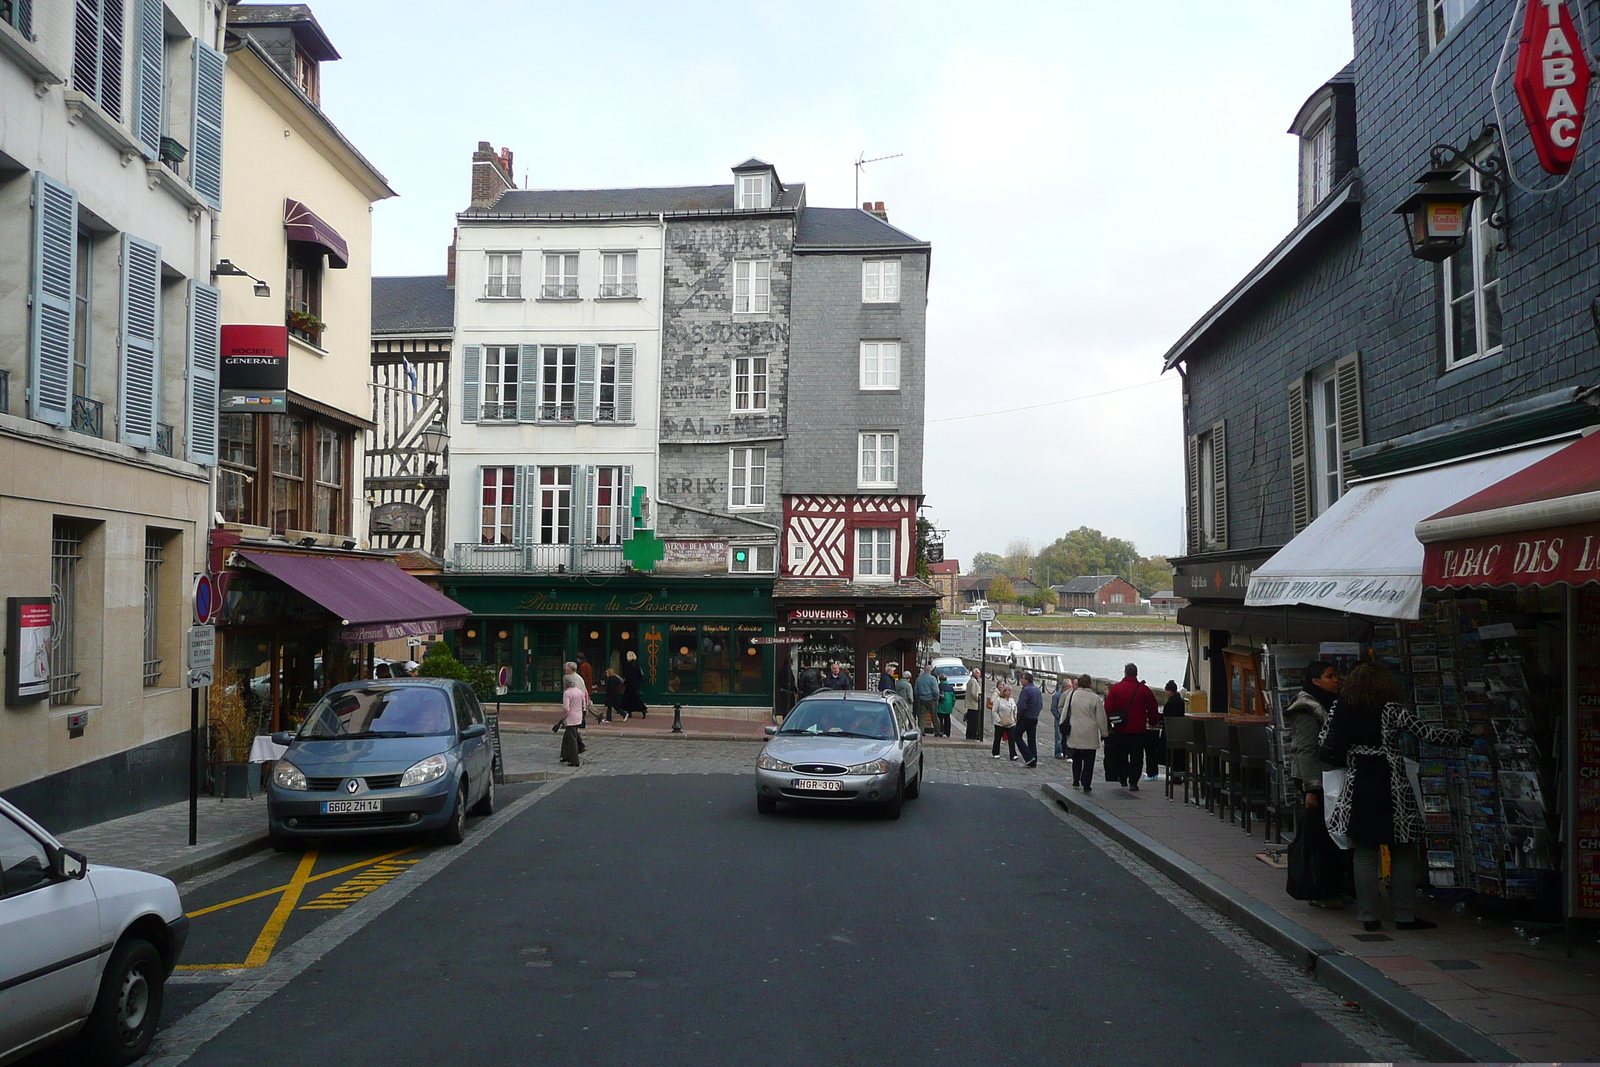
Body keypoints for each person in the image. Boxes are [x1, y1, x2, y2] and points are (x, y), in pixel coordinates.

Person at [1318, 661, 1485, 932]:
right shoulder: (1391, 710)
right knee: (1404, 849)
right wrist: (1469, 735)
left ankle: (1368, 916)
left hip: (1357, 783)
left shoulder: (1340, 708)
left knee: (1364, 852)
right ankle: (1405, 915)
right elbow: (1429, 734)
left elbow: (1323, 741)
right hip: (1392, 785)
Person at [1283, 661, 1344, 908]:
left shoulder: (1329, 703)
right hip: (1314, 779)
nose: (1336, 679)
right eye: (1330, 676)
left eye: (1336, 675)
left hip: (1326, 777)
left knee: (1328, 833)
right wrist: (1311, 788)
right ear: (1316, 681)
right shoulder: (1307, 708)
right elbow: (1306, 749)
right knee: (1321, 835)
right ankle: (1318, 890)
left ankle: (1327, 888)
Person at [1104, 662, 1159, 791]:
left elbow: (1107, 708)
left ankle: (1123, 778)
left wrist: (1108, 725)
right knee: (1137, 756)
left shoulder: (1116, 689)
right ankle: (1133, 782)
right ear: (1136, 674)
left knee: (1121, 755)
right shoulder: (1143, 690)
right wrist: (1153, 722)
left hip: (1121, 729)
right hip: (1139, 730)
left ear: (1125, 673)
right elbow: (1153, 707)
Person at [1063, 673, 1109, 792]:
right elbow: (1101, 718)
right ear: (1090, 683)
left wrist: (1062, 725)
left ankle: (1076, 780)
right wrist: (1104, 732)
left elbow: (1065, 712)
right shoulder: (1095, 698)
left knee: (1076, 758)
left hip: (1075, 731)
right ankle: (1086, 783)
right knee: (1089, 760)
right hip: (1090, 733)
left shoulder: (1072, 695)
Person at [1013, 671, 1043, 766]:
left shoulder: (1026, 690)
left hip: (1026, 717)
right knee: (1031, 739)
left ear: (1026, 680)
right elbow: (1041, 705)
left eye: (1022, 679)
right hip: (1034, 717)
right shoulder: (1037, 690)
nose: (1021, 681)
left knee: (1016, 735)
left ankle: (1028, 757)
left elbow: (1021, 705)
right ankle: (1033, 760)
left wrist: (1018, 715)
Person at [558, 676, 589, 766]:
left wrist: (563, 717)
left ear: (567, 683)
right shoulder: (579, 691)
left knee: (572, 739)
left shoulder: (567, 693)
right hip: (578, 716)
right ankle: (565, 755)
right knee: (567, 736)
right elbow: (584, 704)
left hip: (570, 716)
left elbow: (566, 708)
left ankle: (574, 760)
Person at [1161, 680, 1187, 781]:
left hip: (1171, 731)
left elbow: (1167, 715)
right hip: (1179, 732)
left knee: (1173, 756)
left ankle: (1175, 776)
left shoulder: (1172, 702)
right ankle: (1180, 775)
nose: (1166, 692)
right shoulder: (1180, 701)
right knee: (1179, 756)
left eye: (1167, 690)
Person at [990, 682, 1018, 760]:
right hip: (1000, 723)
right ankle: (996, 752)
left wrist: (1015, 716)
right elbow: (994, 711)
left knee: (1012, 739)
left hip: (1010, 722)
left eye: (1010, 691)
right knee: (998, 738)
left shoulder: (1012, 700)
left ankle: (1013, 754)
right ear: (1004, 691)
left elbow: (1015, 709)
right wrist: (999, 720)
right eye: (1008, 691)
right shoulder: (998, 700)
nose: (1010, 692)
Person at [1050, 676, 1074, 760]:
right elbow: (1053, 708)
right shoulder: (1057, 696)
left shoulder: (1070, 695)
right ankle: (1058, 752)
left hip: (1066, 720)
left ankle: (1065, 752)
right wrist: (1059, 717)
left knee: (1065, 737)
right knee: (1058, 737)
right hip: (1058, 719)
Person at [618, 651, 648, 719]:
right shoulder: (636, 664)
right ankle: (630, 711)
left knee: (630, 698)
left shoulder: (629, 665)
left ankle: (641, 708)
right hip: (635, 684)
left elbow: (628, 675)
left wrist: (625, 682)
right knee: (631, 698)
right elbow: (639, 674)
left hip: (630, 684)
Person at [913, 664, 940, 734]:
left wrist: (918, 697)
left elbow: (915, 690)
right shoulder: (932, 679)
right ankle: (937, 731)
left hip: (921, 699)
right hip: (931, 699)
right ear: (930, 671)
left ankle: (921, 731)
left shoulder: (919, 678)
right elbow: (935, 690)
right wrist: (936, 698)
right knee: (934, 716)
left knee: (922, 716)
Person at [964, 669, 984, 741]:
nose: (979, 674)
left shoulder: (971, 680)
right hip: (974, 706)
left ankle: (970, 734)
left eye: (979, 673)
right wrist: (980, 700)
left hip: (971, 705)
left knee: (971, 722)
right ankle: (972, 735)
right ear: (974, 674)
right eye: (978, 673)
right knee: (974, 722)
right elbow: (974, 694)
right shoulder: (974, 681)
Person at [936, 671, 956, 737]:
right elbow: (954, 699)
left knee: (940, 719)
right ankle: (948, 732)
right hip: (948, 706)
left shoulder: (939, 686)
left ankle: (940, 731)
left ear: (940, 680)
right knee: (947, 719)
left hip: (941, 706)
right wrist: (951, 705)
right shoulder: (951, 687)